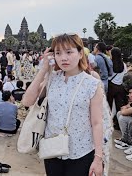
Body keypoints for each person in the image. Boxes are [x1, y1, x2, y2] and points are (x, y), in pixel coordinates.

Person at [22, 34, 104, 176]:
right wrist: (44, 70)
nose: (63, 58)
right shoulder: (52, 79)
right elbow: (27, 101)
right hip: (53, 149)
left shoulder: (91, 83)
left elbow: (97, 123)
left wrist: (98, 157)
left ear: (80, 53)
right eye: (58, 53)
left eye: (69, 52)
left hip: (81, 151)